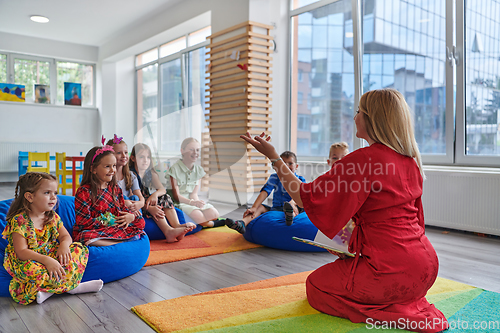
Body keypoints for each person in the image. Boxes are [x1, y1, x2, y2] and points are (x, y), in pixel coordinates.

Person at [241, 88, 448, 333]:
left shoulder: (363, 160)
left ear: (373, 118)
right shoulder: (410, 161)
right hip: (426, 267)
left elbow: (303, 196)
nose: (354, 117)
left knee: (316, 286)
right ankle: (398, 302)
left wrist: (274, 157)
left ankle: (392, 313)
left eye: (359, 111)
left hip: (390, 270)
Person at [2, 172, 103, 305]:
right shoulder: (20, 221)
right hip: (29, 259)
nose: (53, 197)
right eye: (47, 193)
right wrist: (47, 261)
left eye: (55, 193)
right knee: (34, 271)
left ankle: (50, 291)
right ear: (30, 197)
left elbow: (66, 236)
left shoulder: (52, 217)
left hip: (49, 253)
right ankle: (73, 287)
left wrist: (64, 246)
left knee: (79, 249)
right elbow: (21, 252)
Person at [73, 143, 149, 246]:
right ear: (93, 169)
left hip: (114, 229)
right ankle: (120, 242)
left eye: (114, 165)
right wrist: (110, 221)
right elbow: (83, 223)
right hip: (97, 230)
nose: (113, 170)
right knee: (83, 236)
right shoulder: (84, 192)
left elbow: (123, 209)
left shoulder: (115, 188)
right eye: (107, 166)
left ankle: (113, 242)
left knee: (140, 221)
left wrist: (130, 216)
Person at [225, 151, 306, 233]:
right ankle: (242, 223)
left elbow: (301, 195)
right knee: (259, 208)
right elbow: (265, 192)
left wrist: (292, 203)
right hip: (276, 208)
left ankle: (290, 216)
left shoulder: (300, 180)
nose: (287, 166)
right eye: (283, 164)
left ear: (296, 166)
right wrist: (254, 207)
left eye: (290, 163)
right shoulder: (274, 177)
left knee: (295, 207)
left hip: (293, 207)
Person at [129, 143, 196, 240]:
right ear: (133, 158)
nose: (145, 160)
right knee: (155, 206)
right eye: (141, 157)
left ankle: (176, 225)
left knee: (165, 197)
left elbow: (162, 190)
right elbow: (133, 200)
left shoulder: (150, 173)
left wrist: (155, 195)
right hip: (139, 207)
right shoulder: (130, 175)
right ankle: (168, 231)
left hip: (148, 202)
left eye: (148, 157)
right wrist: (149, 209)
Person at [167, 138, 225, 228]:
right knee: (199, 216)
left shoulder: (199, 170)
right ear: (182, 151)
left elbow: (194, 194)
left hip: (191, 201)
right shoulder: (174, 169)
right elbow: (176, 196)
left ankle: (203, 222)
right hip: (178, 202)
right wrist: (192, 203)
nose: (195, 153)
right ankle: (212, 224)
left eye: (197, 150)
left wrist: (197, 203)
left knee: (214, 214)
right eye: (191, 149)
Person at [106, 135, 145, 218]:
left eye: (126, 152)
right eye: (119, 153)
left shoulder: (131, 175)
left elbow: (140, 197)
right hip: (114, 209)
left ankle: (137, 222)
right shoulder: (107, 176)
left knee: (135, 197)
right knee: (125, 197)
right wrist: (125, 201)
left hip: (130, 208)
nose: (124, 156)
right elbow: (107, 199)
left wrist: (139, 203)